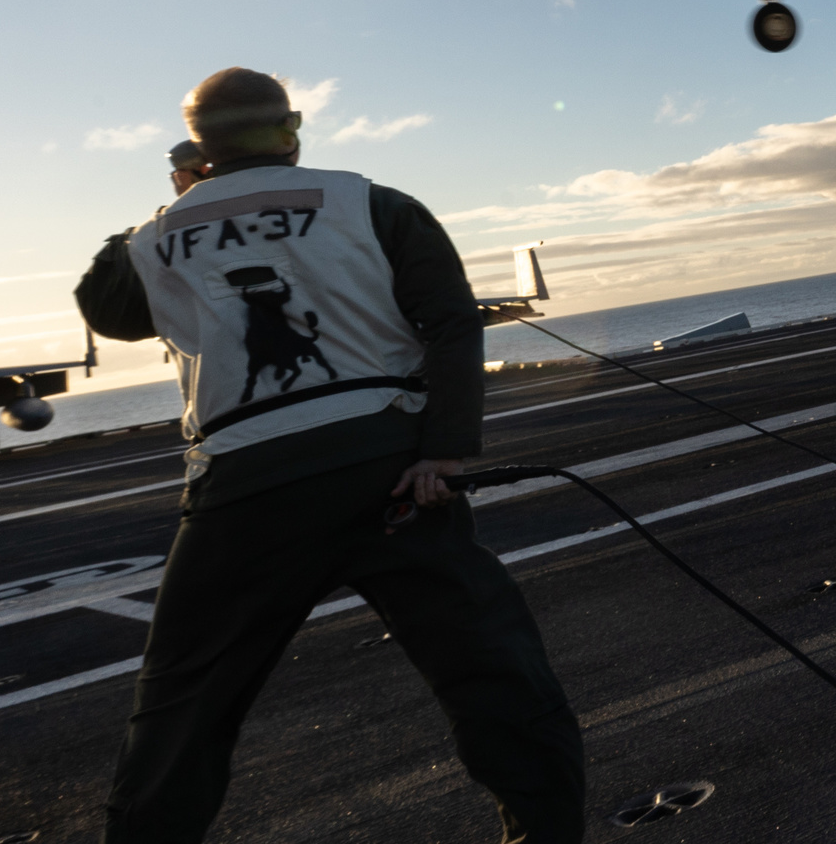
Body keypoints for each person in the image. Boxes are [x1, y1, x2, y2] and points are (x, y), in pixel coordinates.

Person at [75, 68, 585, 843]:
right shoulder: (373, 203)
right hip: (388, 469)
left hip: (243, 487)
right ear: (291, 131)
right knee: (495, 675)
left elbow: (104, 310)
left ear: (201, 151)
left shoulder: (158, 237)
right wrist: (444, 456)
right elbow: (452, 323)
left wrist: (175, 201)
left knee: (179, 713)